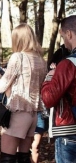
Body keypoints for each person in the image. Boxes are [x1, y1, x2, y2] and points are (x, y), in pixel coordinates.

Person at [0, 23, 47, 163]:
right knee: (24, 158)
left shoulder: (18, 57)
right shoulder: (41, 59)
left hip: (18, 111)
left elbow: (1, 87)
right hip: (33, 114)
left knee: (7, 158)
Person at [41, 15, 76, 163]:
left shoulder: (68, 63)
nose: (64, 42)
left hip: (69, 131)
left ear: (69, 34)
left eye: (62, 36)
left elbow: (48, 98)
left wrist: (49, 78)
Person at [31, 43, 70, 163]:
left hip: (49, 110)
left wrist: (51, 75)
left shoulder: (46, 64)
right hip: (32, 109)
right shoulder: (59, 53)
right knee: (30, 146)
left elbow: (50, 93)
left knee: (35, 145)